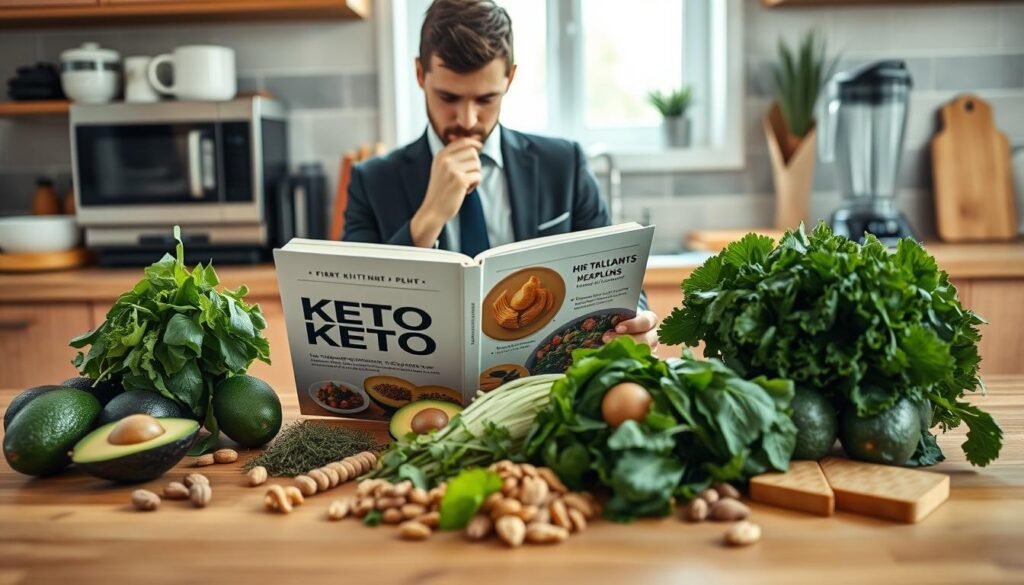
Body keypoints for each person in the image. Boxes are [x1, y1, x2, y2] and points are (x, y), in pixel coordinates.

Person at [343, 0, 658, 350]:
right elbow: (354, 312)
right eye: (448, 97)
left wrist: (637, 323)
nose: (467, 119)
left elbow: (620, 285)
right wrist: (428, 219)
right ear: (420, 74)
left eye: (485, 99)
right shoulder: (371, 181)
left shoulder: (563, 164)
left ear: (510, 78)